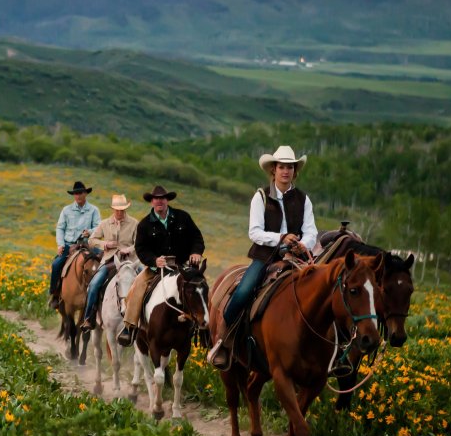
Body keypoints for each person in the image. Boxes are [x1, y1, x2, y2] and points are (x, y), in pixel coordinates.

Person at [207, 145, 318, 368]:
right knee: (243, 291)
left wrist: (301, 244)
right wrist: (280, 238)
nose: (285, 171)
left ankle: (330, 349)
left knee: (325, 291)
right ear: (273, 170)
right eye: (281, 167)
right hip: (266, 256)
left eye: (290, 167)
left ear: (294, 171)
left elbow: (312, 231)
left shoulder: (303, 199)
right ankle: (223, 341)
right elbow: (254, 232)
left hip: (297, 256)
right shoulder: (261, 197)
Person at [117, 185, 204, 346]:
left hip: (181, 266)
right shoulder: (144, 224)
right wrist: (154, 260)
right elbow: (141, 249)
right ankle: (129, 327)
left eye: (162, 198)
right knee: (138, 286)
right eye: (156, 199)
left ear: (167, 200)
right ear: (151, 202)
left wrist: (196, 252)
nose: (159, 201)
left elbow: (197, 238)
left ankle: (205, 328)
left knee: (200, 286)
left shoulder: (182, 217)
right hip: (156, 269)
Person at [79, 194, 138, 330]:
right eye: (117, 209)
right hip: (109, 261)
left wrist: (128, 249)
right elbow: (91, 240)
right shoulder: (105, 223)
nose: (119, 212)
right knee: (93, 284)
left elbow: (139, 243)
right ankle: (89, 318)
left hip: (130, 262)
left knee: (146, 282)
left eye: (122, 209)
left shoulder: (134, 223)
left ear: (126, 209)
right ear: (113, 209)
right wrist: (105, 244)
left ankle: (144, 319)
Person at [48, 180, 101, 309]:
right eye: (75, 194)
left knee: (103, 262)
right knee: (56, 265)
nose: (78, 196)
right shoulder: (66, 210)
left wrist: (90, 231)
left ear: (85, 194)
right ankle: (55, 294)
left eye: (80, 193)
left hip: (87, 245)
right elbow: (60, 228)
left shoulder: (93, 210)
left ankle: (101, 296)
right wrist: (60, 244)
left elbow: (99, 227)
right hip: (69, 245)